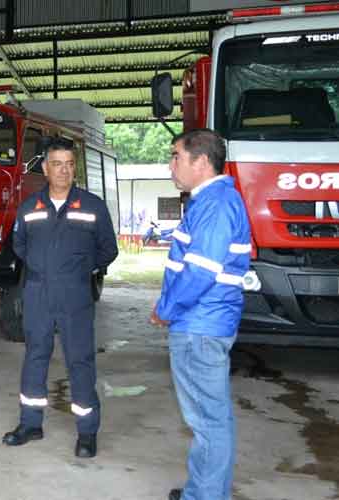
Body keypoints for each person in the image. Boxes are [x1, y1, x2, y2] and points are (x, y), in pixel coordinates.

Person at [151, 129, 251, 500]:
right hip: (203, 324)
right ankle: (203, 491)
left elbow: (201, 272)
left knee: (208, 422)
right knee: (209, 420)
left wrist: (165, 310)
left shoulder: (216, 204)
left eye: (177, 156)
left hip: (200, 327)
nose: (171, 164)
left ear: (202, 162)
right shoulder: (213, 201)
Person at [3, 136, 118, 458]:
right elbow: (20, 245)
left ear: (74, 168)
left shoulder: (92, 205)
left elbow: (108, 249)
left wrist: (79, 270)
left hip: (75, 294)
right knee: (35, 357)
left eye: (69, 164)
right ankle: (30, 424)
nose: (63, 171)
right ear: (45, 167)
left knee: (80, 360)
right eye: (57, 164)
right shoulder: (29, 207)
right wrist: (44, 269)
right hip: (38, 292)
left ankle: (87, 433)